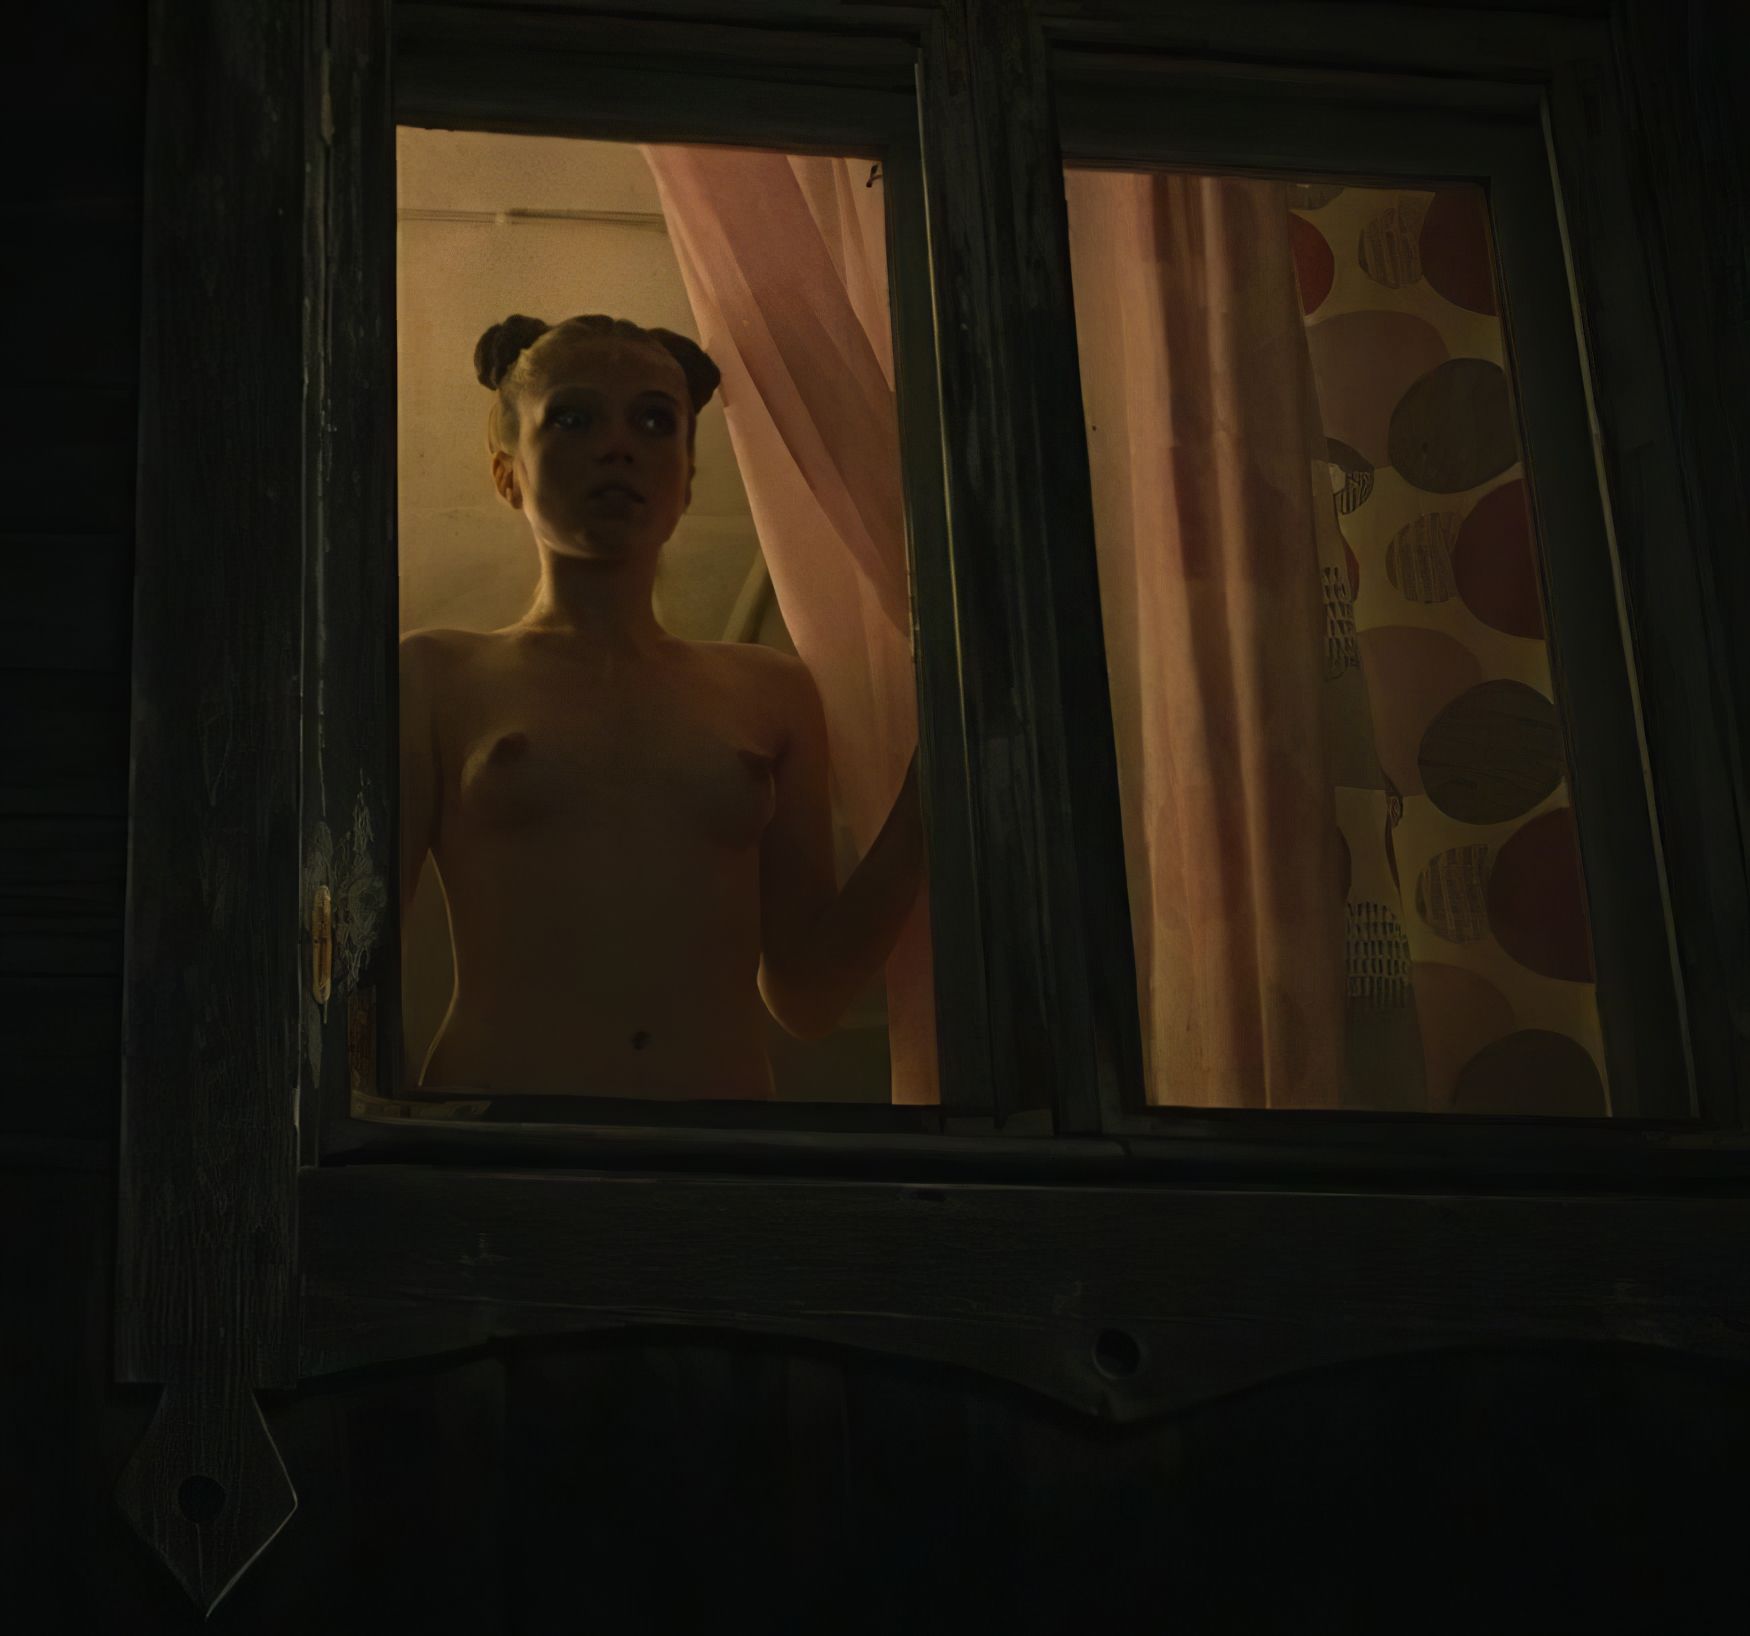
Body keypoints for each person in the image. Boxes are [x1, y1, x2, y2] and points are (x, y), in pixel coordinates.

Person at [399, 313, 925, 1099]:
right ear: (506, 473)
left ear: (685, 481)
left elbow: (809, 996)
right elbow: (348, 962)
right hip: (500, 1138)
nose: (619, 446)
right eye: (572, 418)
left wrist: (934, 785)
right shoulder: (437, 675)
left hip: (718, 1143)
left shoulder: (771, 690)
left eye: (653, 421)